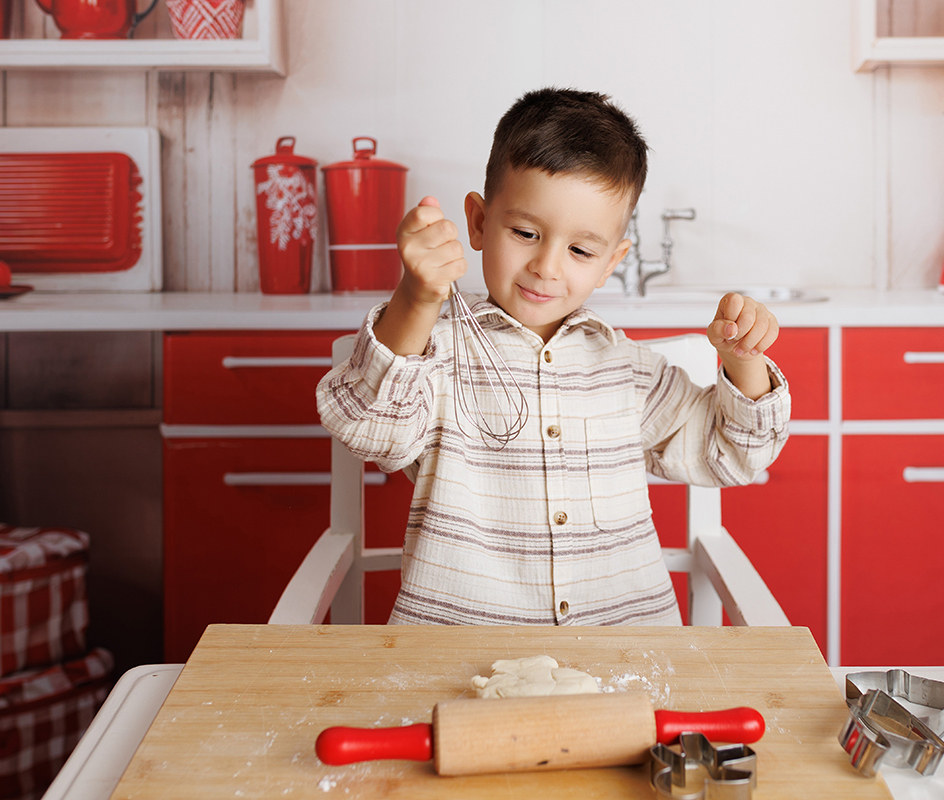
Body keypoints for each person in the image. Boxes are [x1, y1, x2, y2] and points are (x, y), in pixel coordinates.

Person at [317, 87, 790, 626]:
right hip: (458, 656)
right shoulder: (435, 349)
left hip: (624, 662)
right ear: (477, 221)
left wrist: (744, 361)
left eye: (580, 251)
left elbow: (732, 452)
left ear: (611, 261)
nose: (546, 265)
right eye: (524, 232)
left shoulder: (629, 370)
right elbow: (371, 430)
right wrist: (415, 298)